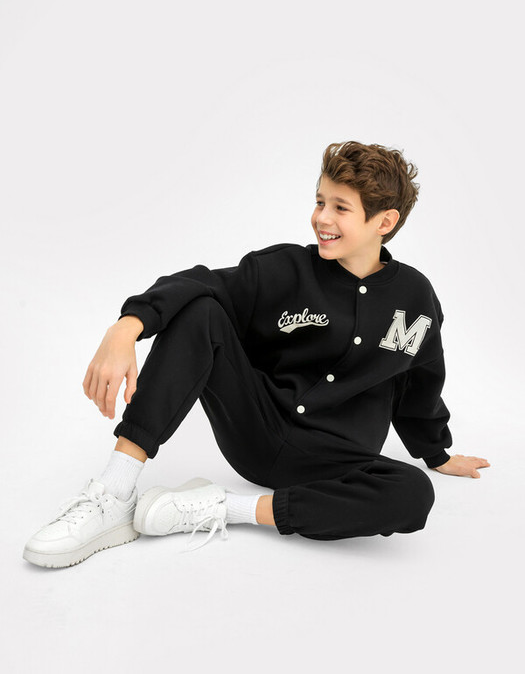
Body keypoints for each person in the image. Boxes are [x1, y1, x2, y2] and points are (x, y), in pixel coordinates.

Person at [23, 140, 490, 569]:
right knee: (201, 309)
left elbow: (422, 380)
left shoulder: (415, 298)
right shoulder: (285, 268)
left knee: (413, 494)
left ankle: (225, 508)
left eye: (340, 208)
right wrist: (126, 327)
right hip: (255, 430)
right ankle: (114, 492)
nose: (322, 218)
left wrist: (435, 452)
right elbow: (200, 282)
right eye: (320, 201)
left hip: (335, 462)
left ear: (384, 222)